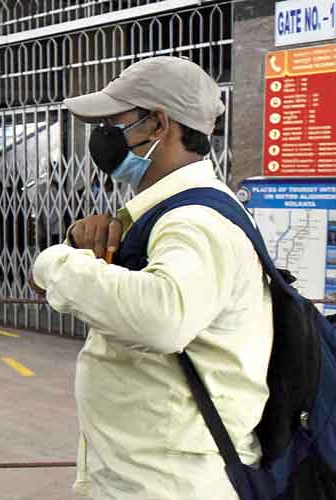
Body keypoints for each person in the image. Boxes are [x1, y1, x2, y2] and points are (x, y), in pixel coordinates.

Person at [29, 57, 273, 499]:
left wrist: (56, 261)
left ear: (158, 124)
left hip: (174, 484)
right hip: (149, 472)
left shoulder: (197, 221)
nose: (99, 138)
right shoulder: (166, 215)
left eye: (112, 123)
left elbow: (161, 317)